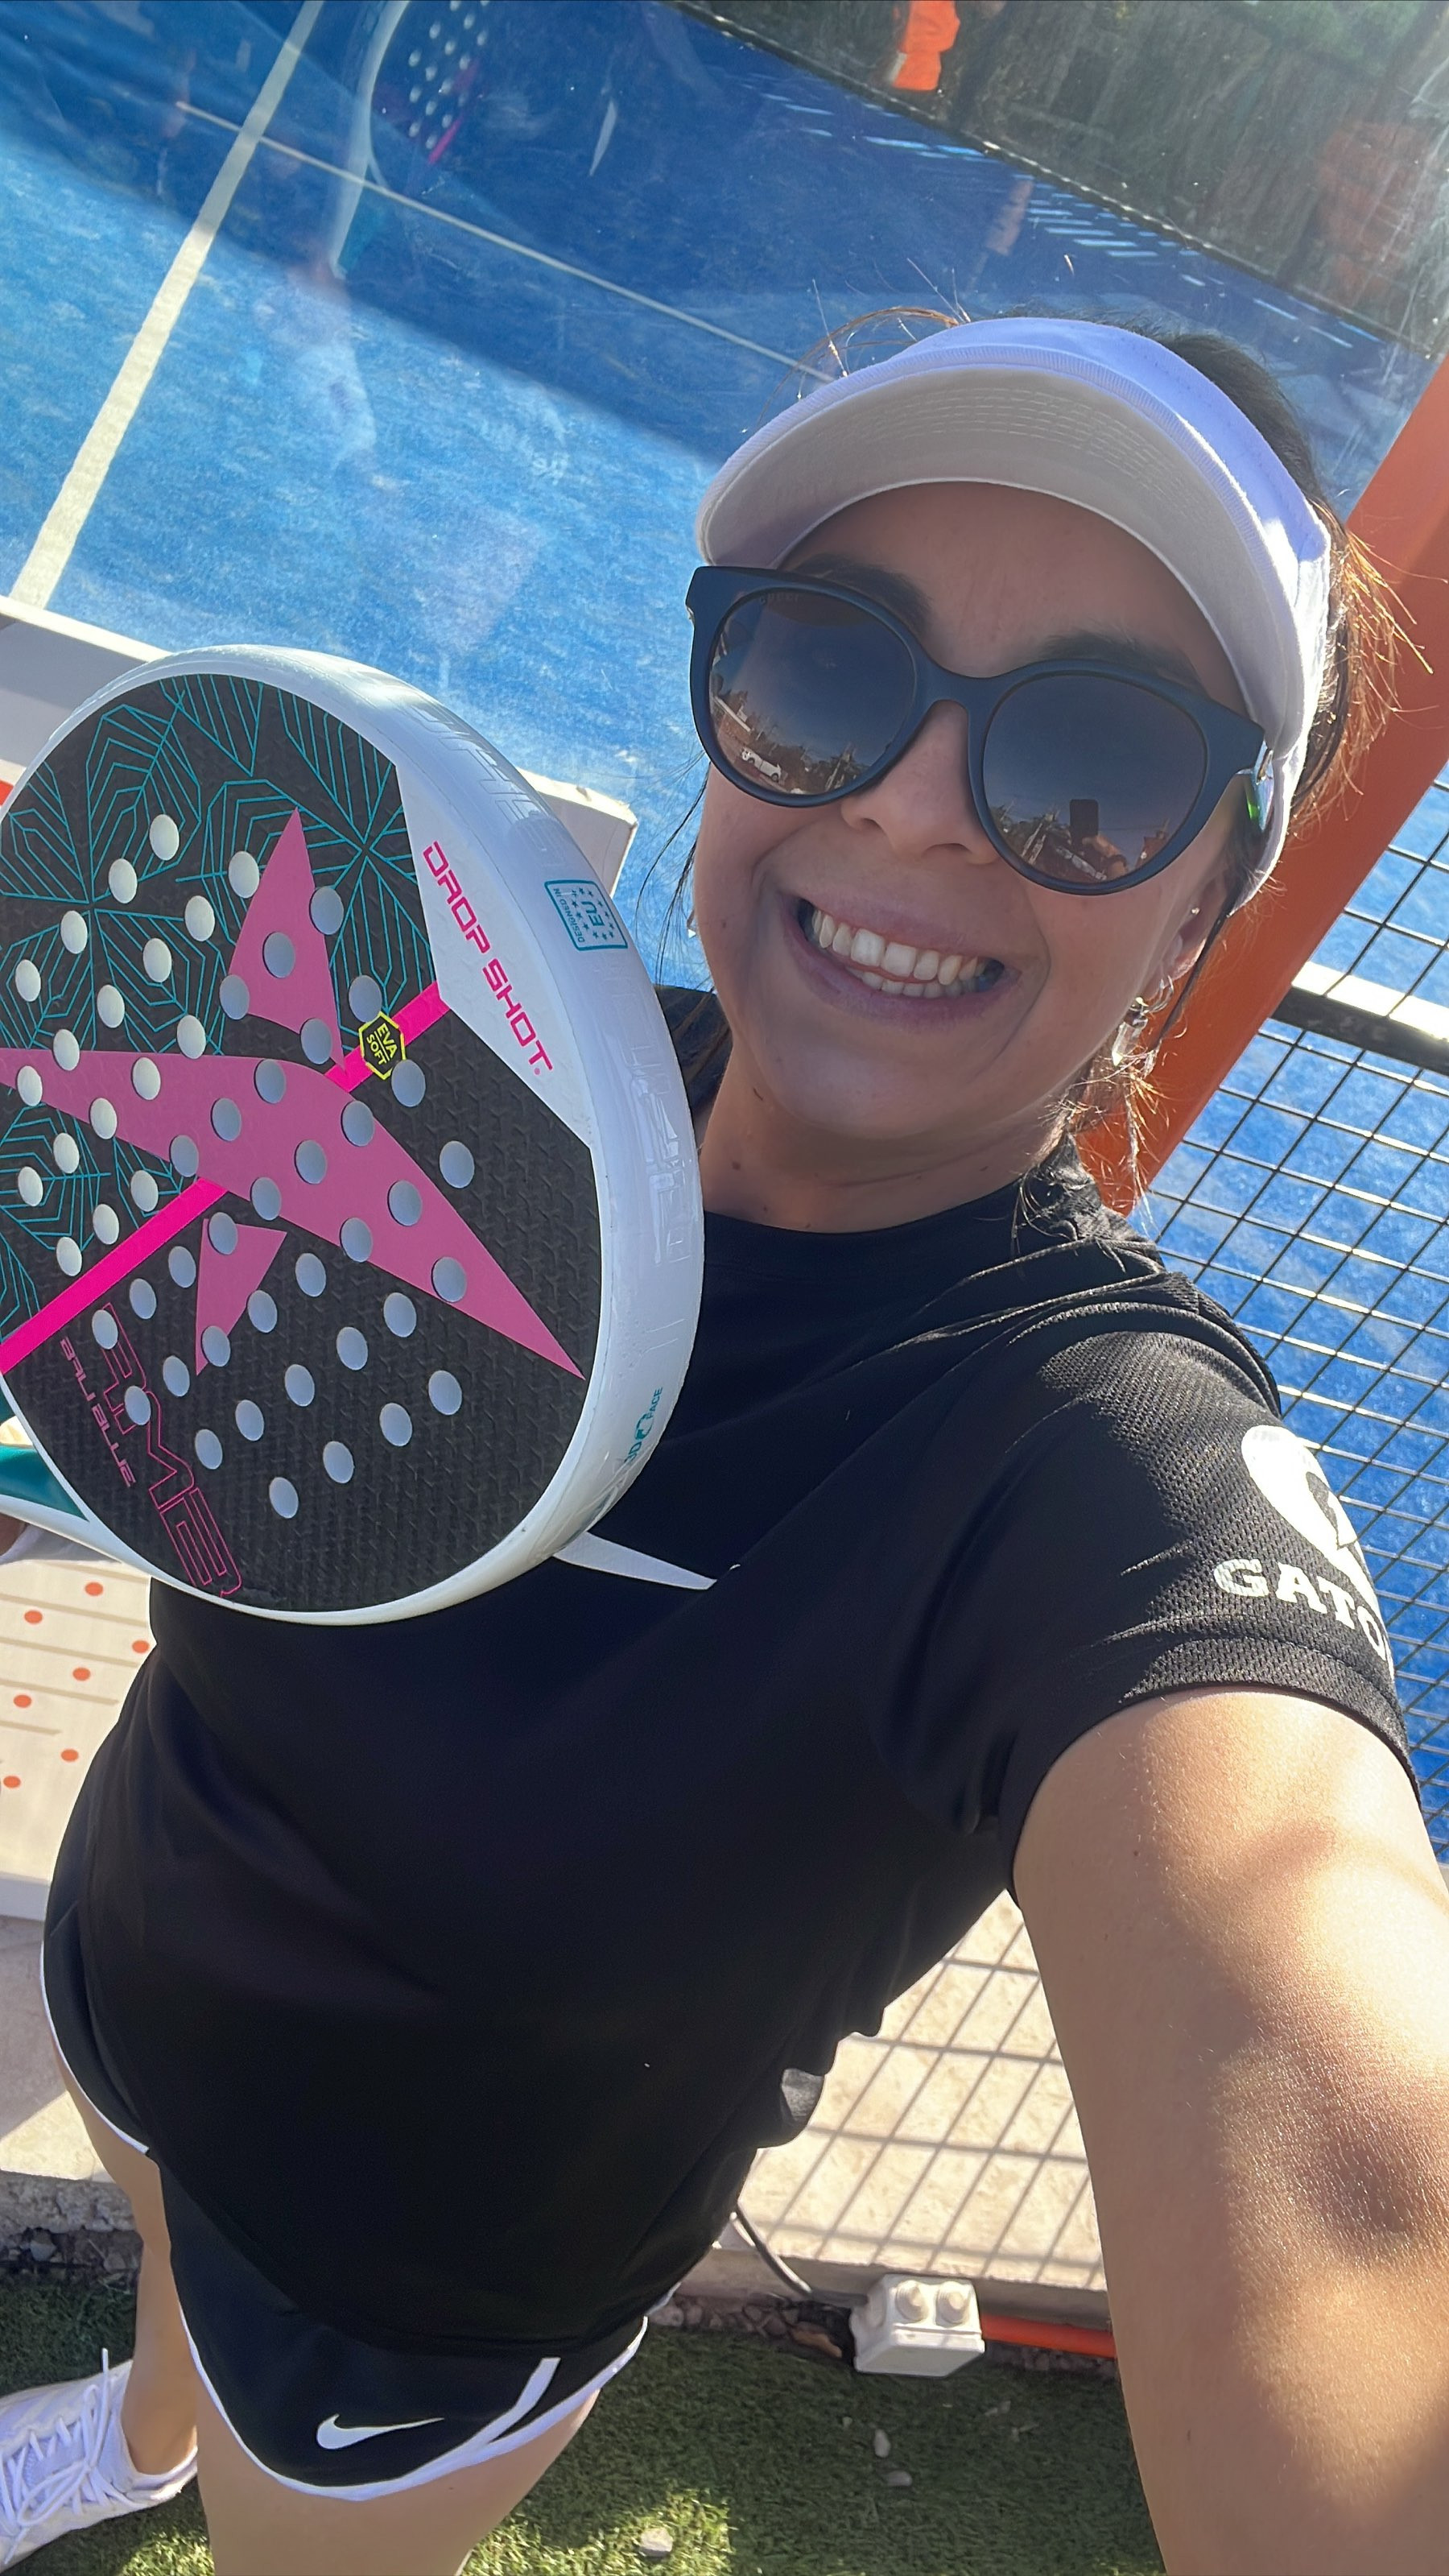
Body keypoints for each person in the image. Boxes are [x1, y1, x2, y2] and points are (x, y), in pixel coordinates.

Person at [2, 314, 1447, 2576]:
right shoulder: (463, 1055)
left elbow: (1351, 2192)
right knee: (169, 2288)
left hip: (409, 2310)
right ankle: (147, 2427)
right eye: (826, 668)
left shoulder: (1083, 1465)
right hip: (129, 1976)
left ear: (1207, 895)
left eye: (1095, 761)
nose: (912, 803)